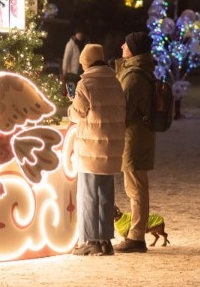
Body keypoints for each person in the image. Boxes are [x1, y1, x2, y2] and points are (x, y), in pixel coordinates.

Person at [68, 44, 126, 256]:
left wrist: (71, 104)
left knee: (89, 194)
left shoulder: (86, 83)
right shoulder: (115, 81)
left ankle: (91, 240)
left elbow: (77, 114)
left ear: (87, 62)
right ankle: (105, 241)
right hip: (111, 147)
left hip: (91, 148)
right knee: (106, 195)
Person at [114, 31, 156, 253]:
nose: (122, 46)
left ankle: (136, 237)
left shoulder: (134, 76)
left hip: (134, 138)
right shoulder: (138, 71)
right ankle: (135, 234)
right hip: (138, 136)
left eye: (126, 44)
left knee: (136, 187)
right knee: (135, 186)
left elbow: (124, 109)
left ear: (134, 49)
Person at [62, 29, 86, 97]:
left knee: (79, 88)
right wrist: (64, 70)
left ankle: (77, 101)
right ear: (76, 34)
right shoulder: (71, 44)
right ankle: (71, 99)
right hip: (72, 70)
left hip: (81, 70)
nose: (80, 35)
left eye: (82, 33)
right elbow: (66, 58)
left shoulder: (84, 43)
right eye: (79, 33)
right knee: (71, 88)